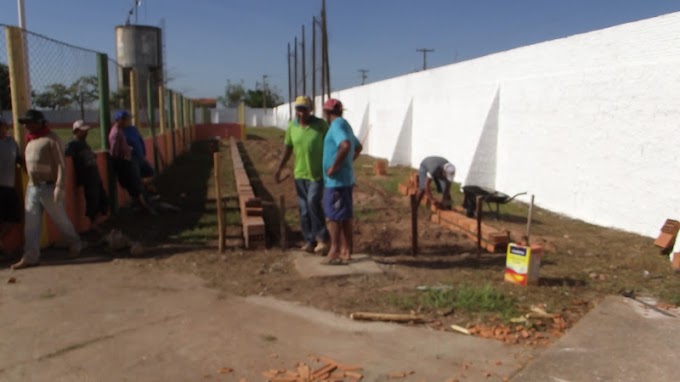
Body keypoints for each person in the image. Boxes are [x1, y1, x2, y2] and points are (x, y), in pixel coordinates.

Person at [12, 110, 82, 269]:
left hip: (50, 186)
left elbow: (61, 165)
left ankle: (75, 243)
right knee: (31, 224)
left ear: (40, 122)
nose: (28, 126)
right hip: (33, 187)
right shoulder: (30, 141)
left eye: (31, 122)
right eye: (26, 123)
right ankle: (30, 256)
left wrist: (59, 186)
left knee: (60, 219)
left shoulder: (52, 139)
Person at [275, 96, 329, 254]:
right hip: (300, 174)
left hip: (317, 174)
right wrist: (279, 168)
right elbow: (287, 148)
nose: (301, 112)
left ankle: (323, 239)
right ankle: (309, 240)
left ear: (310, 109)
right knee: (304, 209)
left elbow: (330, 144)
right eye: (298, 109)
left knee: (313, 202)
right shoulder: (292, 127)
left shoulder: (321, 126)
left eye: (304, 109)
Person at [321, 99, 362, 265]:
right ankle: (346, 250)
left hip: (336, 182)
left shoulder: (336, 125)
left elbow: (345, 146)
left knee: (334, 216)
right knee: (344, 216)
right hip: (344, 179)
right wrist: (348, 163)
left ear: (326, 112)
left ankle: (335, 250)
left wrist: (334, 167)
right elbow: (357, 147)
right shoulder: (346, 125)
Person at [109, 110, 155, 214]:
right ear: (120, 120)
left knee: (150, 173)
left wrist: (143, 152)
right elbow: (114, 151)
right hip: (131, 160)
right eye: (127, 119)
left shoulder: (132, 129)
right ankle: (143, 204)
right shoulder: (117, 132)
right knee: (135, 184)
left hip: (139, 157)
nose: (129, 120)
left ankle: (145, 196)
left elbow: (140, 140)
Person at [65, 120, 109, 230]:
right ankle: (93, 223)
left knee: (102, 199)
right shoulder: (72, 145)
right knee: (93, 199)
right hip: (88, 177)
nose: (86, 133)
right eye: (83, 131)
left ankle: (97, 221)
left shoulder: (84, 144)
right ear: (76, 131)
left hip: (94, 175)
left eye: (86, 131)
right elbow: (67, 156)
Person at [0, 118, 22, 256]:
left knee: (13, 218)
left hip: (9, 186)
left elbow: (18, 158)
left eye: (4, 127)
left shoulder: (11, 142)